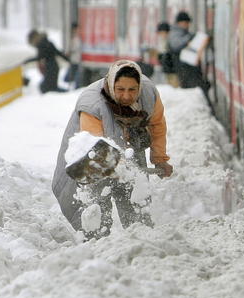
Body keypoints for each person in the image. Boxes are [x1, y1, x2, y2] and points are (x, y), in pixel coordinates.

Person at [52, 59, 173, 241]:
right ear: (111, 84)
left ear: (139, 86)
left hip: (129, 147)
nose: (126, 96)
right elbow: (95, 148)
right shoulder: (93, 103)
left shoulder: (148, 93)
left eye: (132, 90)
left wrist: (159, 157)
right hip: (90, 160)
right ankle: (98, 248)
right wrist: (124, 169)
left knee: (137, 206)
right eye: (120, 89)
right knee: (94, 213)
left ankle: (142, 242)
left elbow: (157, 125)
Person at [167, 11, 212, 105]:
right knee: (191, 90)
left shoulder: (182, 32)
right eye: (186, 23)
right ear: (180, 22)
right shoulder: (176, 33)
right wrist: (190, 38)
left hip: (187, 68)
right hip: (184, 69)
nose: (187, 25)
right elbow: (176, 45)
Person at [156, 22, 179, 88]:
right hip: (167, 70)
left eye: (162, 33)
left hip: (173, 71)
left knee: (174, 87)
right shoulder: (162, 42)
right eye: (160, 33)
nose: (161, 35)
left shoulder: (172, 42)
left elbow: (172, 57)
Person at [64, 22, 82, 88]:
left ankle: (75, 86)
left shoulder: (78, 37)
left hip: (77, 59)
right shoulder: (71, 38)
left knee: (75, 73)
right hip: (74, 59)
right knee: (73, 73)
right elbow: (70, 49)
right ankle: (73, 86)